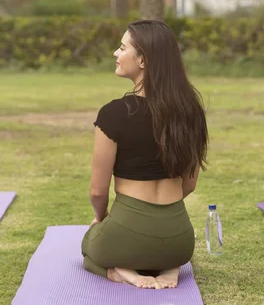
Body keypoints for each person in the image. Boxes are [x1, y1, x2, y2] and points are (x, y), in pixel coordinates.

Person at [81, 20, 209, 289]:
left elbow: (97, 191)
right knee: (151, 244)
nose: (116, 53)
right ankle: (169, 267)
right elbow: (190, 183)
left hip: (127, 231)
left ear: (143, 60)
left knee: (88, 245)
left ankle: (119, 272)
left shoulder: (114, 113)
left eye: (122, 47)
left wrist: (101, 218)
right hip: (180, 242)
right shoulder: (191, 111)